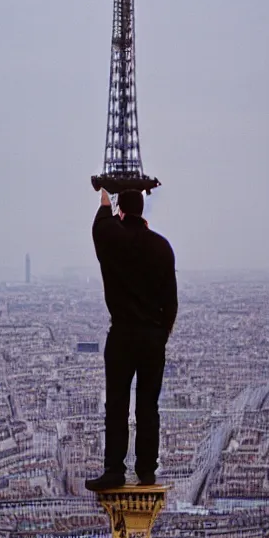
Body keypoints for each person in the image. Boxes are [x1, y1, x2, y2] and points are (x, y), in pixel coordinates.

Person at [85, 188, 178, 490]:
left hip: (123, 333)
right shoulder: (162, 247)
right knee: (148, 405)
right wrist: (162, 332)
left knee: (117, 403)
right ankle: (147, 471)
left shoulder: (114, 240)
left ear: (121, 211)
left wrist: (103, 203)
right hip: (153, 337)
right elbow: (171, 301)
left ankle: (114, 469)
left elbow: (100, 228)